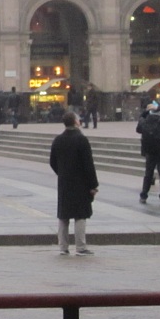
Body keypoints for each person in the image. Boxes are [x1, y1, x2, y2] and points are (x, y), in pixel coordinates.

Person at [49, 110, 99, 256]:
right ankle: (80, 247)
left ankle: (63, 247)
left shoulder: (58, 139)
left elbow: (52, 161)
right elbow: (88, 164)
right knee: (80, 215)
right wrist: (93, 185)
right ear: (76, 122)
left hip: (64, 182)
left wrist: (62, 172)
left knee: (64, 215)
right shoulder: (81, 139)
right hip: (81, 182)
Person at [135, 100, 160, 205]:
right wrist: (158, 108)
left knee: (148, 174)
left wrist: (146, 112)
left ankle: (144, 195)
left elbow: (138, 129)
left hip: (149, 151)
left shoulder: (144, 122)